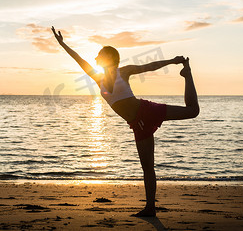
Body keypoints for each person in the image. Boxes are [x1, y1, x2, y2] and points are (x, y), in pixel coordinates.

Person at [52, 26, 199, 217]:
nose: (95, 58)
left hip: (147, 111)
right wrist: (62, 43)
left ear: (108, 58)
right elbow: (78, 59)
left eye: (99, 55)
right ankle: (150, 208)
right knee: (147, 167)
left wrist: (172, 61)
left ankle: (187, 76)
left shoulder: (124, 71)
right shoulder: (97, 78)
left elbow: (149, 66)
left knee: (192, 111)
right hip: (137, 125)